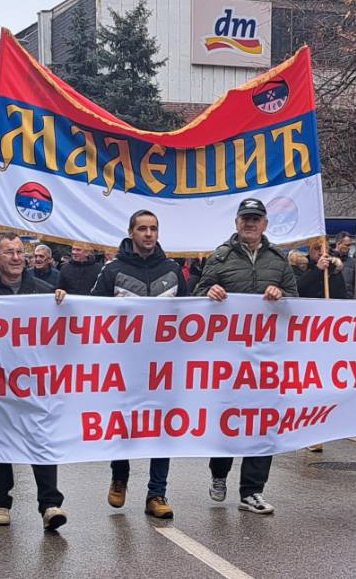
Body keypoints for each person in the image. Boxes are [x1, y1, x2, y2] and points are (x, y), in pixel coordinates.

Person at [193, 198, 298, 515]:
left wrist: (282, 297)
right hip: (230, 358)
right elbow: (198, 296)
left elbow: (295, 301)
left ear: (265, 224)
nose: (250, 224)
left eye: (256, 219)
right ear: (236, 223)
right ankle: (219, 472)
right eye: (245, 219)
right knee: (229, 421)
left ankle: (252, 491)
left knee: (263, 424)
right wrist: (210, 293)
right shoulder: (220, 257)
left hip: (267, 358)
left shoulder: (279, 260)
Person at [82, 210, 187, 519]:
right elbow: (92, 309)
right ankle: (120, 474)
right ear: (131, 233)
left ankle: (157, 494)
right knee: (124, 423)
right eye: (142, 228)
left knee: (163, 427)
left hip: (164, 365)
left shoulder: (172, 269)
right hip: (124, 363)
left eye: (154, 228)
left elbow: (193, 311)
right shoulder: (112, 270)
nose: (149, 234)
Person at [0, 232, 68, 530]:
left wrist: (62, 304)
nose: (16, 257)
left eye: (20, 251)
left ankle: (50, 504)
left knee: (41, 439)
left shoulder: (44, 291)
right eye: (8, 252)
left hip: (33, 380)